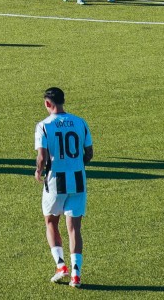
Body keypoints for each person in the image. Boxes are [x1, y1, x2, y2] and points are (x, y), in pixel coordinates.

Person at [35, 86, 92, 288]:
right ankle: (76, 274)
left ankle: (61, 266)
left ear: (47, 103)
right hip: (78, 180)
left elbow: (42, 157)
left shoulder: (44, 125)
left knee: (51, 222)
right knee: (74, 228)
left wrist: (38, 171)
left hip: (55, 181)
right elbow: (89, 153)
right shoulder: (80, 122)